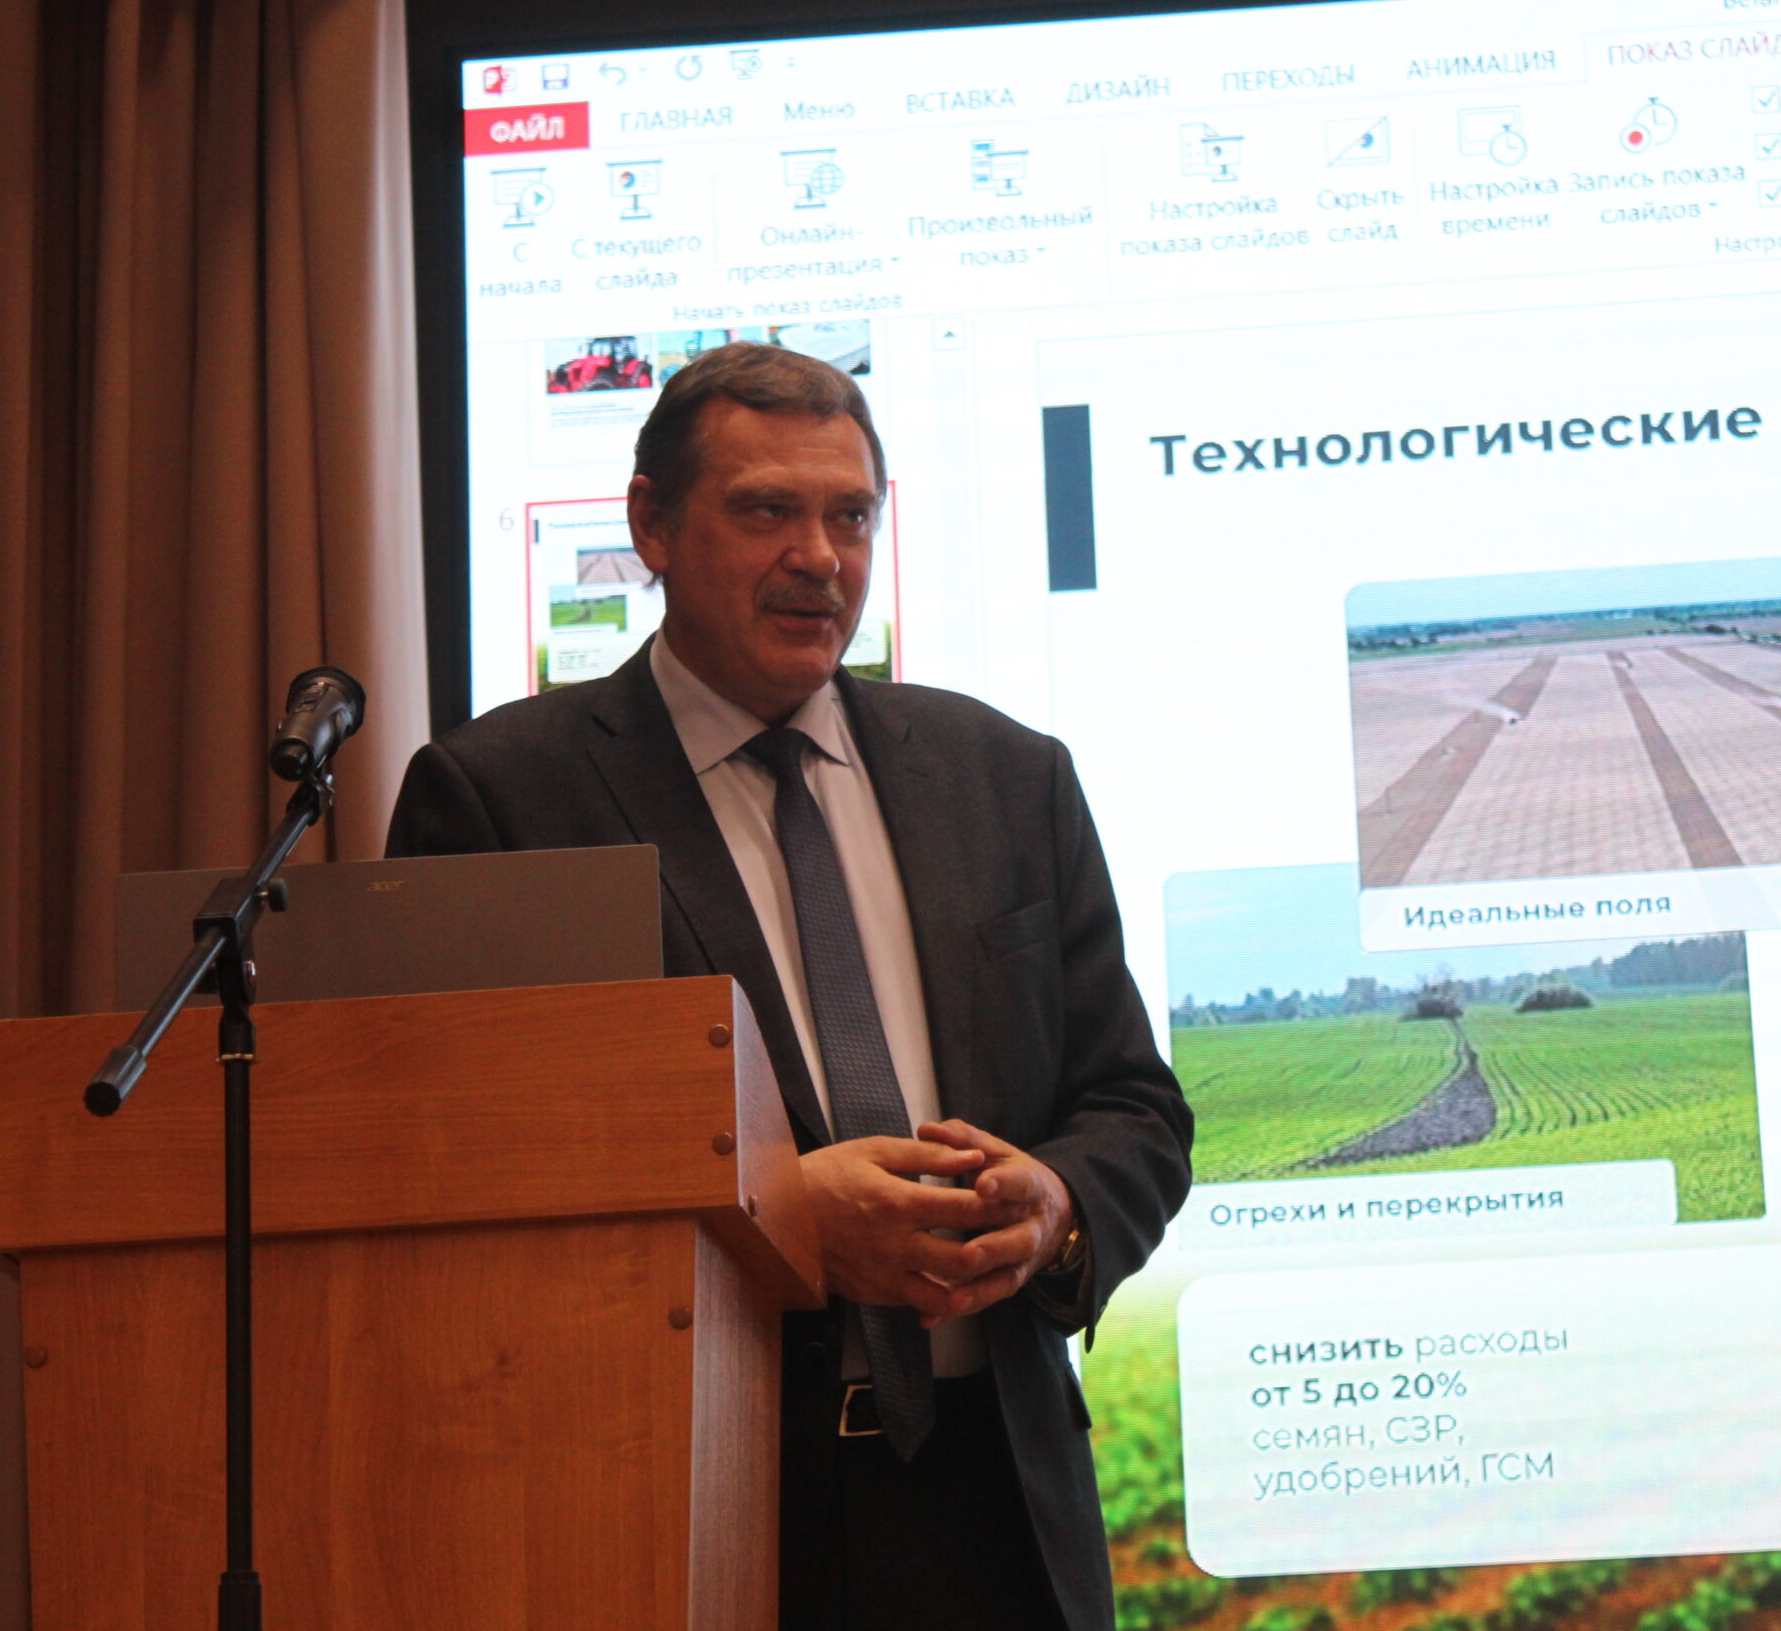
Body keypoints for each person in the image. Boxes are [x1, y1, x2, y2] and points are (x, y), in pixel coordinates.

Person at [384, 341, 1192, 1631]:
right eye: (767, 511)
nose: (820, 557)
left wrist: (1056, 1208)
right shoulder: (503, 801)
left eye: (850, 516)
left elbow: (1133, 1111)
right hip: (694, 1501)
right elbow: (461, 1184)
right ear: (652, 525)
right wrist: (776, 1217)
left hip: (1002, 1505)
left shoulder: (1005, 775)